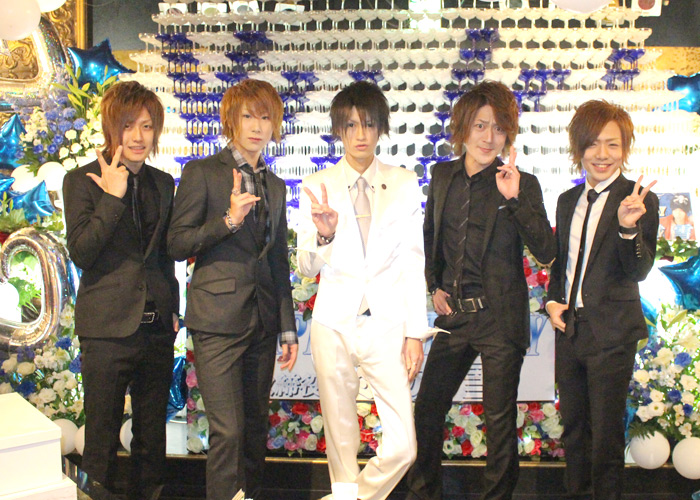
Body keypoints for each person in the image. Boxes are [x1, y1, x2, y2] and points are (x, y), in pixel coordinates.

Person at [405, 80, 556, 500]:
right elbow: (430, 235)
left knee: (499, 420)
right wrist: (433, 285)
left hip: (498, 319)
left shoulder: (520, 183)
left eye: (499, 128)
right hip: (454, 317)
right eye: (480, 126)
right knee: (427, 410)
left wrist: (515, 199)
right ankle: (424, 494)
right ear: (463, 128)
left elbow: (546, 251)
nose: (489, 137)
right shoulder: (442, 175)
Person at [297, 80, 431, 500]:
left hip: (386, 323)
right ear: (339, 129)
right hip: (333, 321)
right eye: (351, 125)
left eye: (369, 124)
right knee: (340, 437)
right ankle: (343, 493)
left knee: (403, 445)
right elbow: (305, 267)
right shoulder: (317, 184)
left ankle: (352, 498)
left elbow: (413, 262)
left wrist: (415, 333)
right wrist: (325, 235)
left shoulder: (404, 182)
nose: (360, 135)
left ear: (381, 129)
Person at [167, 79, 298, 500]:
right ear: (230, 120)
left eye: (265, 117)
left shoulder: (276, 185)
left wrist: (287, 327)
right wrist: (228, 220)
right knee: (228, 430)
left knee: (256, 428)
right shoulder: (203, 172)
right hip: (217, 323)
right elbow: (177, 243)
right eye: (248, 116)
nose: (257, 126)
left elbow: (277, 261)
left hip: (262, 322)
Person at [63, 81, 180, 499]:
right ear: (111, 127)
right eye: (128, 125)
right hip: (106, 330)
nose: (138, 136)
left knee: (152, 438)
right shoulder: (81, 181)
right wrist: (112, 198)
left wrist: (172, 307)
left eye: (147, 126)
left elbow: (163, 255)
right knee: (101, 436)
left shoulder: (163, 183)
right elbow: (82, 252)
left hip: (156, 329)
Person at [546, 100, 658, 500]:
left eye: (612, 144)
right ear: (578, 147)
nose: (602, 154)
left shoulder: (637, 199)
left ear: (624, 148)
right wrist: (552, 301)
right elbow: (562, 264)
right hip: (570, 331)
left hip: (612, 333)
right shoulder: (567, 200)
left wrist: (628, 229)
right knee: (574, 429)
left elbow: (639, 270)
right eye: (592, 143)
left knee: (606, 435)